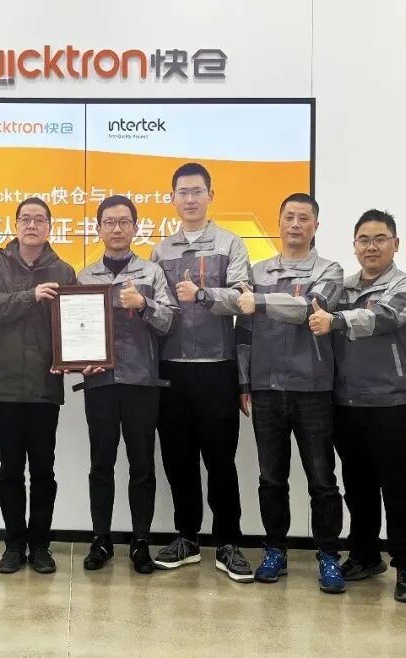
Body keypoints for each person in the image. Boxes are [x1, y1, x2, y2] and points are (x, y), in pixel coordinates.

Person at [307, 209, 406, 603]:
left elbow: (385, 317)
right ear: (354, 245)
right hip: (347, 402)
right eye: (364, 240)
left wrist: (336, 320)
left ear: (396, 243)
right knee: (358, 487)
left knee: (399, 488)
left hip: (392, 402)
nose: (371, 247)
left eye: (380, 238)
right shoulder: (341, 287)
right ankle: (365, 555)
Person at [236, 193, 346, 593]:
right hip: (266, 389)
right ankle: (274, 551)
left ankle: (329, 555)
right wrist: (244, 382)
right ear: (278, 222)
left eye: (304, 218)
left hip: (312, 389)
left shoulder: (330, 270)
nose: (295, 224)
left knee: (322, 478)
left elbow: (309, 308)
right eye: (289, 217)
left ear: (316, 225)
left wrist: (259, 301)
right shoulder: (257, 271)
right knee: (271, 478)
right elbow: (244, 333)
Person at [150, 162, 253, 582]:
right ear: (172, 198)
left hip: (217, 369)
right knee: (178, 459)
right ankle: (186, 537)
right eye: (183, 192)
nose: (190, 199)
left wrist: (204, 294)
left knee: (220, 460)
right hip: (171, 370)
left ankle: (228, 542)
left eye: (197, 191)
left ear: (211, 195)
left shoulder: (231, 244)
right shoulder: (160, 251)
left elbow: (244, 300)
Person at [72, 196, 177, 575]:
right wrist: (78, 359)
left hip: (141, 382)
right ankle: (100, 539)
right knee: (101, 463)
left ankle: (141, 542)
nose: (116, 229)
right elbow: (76, 328)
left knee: (142, 465)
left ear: (135, 227)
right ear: (98, 229)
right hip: (99, 382)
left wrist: (144, 304)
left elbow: (170, 322)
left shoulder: (151, 272)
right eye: (109, 222)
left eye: (124, 222)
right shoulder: (85, 277)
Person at [0, 198, 75, 574]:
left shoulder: (64, 270)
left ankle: (41, 546)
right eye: (25, 219)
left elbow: (74, 324)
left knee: (44, 471)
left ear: (50, 227)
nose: (32, 225)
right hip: (6, 386)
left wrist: (74, 358)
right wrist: (29, 295)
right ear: (15, 225)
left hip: (45, 386)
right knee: (10, 471)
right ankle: (14, 545)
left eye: (39, 220)